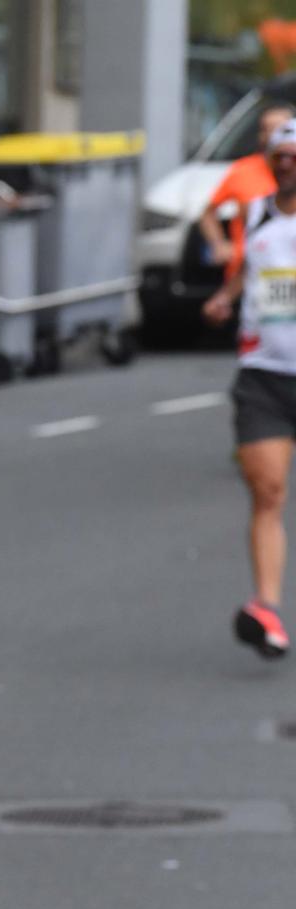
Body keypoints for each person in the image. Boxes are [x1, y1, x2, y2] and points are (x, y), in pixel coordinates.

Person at [206, 120, 296, 659]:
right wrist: (226, 297)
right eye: (277, 156)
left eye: (292, 156)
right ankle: (266, 607)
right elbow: (251, 268)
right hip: (263, 377)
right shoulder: (259, 211)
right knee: (267, 492)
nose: (283, 164)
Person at [198, 102, 295, 282]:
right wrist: (219, 244)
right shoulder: (243, 172)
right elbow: (207, 213)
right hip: (247, 278)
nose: (275, 134)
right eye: (268, 129)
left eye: (281, 128)